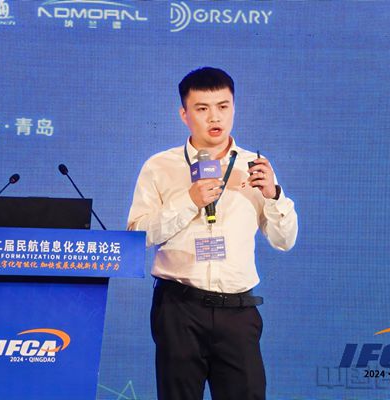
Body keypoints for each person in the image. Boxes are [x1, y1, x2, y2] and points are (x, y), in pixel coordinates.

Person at [127, 67, 298, 400]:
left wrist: (274, 195)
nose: (214, 117)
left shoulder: (255, 166)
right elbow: (138, 235)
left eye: (223, 106)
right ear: (184, 114)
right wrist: (188, 201)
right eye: (202, 108)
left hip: (238, 311)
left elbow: (284, 240)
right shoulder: (160, 166)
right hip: (179, 308)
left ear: (234, 108)